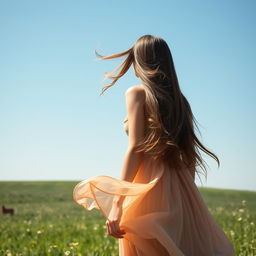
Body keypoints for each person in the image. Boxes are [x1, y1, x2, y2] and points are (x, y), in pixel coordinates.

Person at [73, 35, 235, 255]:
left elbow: (136, 148)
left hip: (148, 185)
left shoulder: (137, 93)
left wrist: (118, 203)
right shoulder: (180, 101)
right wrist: (186, 198)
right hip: (180, 187)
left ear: (141, 61)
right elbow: (189, 155)